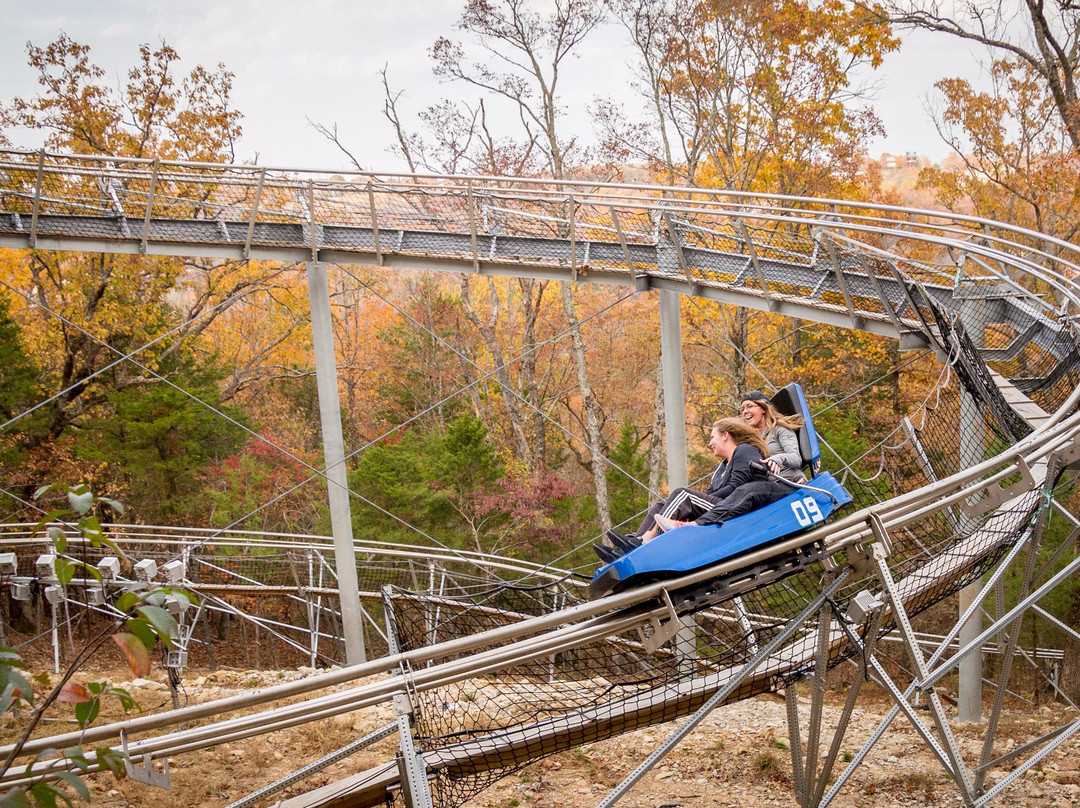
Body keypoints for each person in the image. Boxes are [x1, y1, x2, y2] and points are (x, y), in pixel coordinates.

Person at [595, 418, 789, 563]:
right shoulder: (721, 467)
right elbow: (712, 490)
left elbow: (737, 486)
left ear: (725, 435)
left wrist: (699, 500)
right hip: (719, 504)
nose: (710, 443)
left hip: (736, 507)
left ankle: (643, 542)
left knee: (683, 495)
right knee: (659, 507)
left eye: (712, 437)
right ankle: (629, 548)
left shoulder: (745, 450)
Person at [739, 390, 806, 483]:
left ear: (763, 408)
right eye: (742, 409)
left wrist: (778, 459)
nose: (745, 412)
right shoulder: (751, 440)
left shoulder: (779, 429)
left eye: (749, 406)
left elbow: (796, 458)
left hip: (792, 482)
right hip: (769, 486)